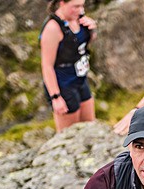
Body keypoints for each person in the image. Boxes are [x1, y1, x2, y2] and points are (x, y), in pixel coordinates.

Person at [40, 0, 97, 132]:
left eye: (82, 6)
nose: (80, 10)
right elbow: (47, 66)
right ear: (62, 3)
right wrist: (55, 97)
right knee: (69, 135)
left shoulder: (80, 19)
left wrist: (92, 29)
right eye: (75, 7)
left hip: (81, 80)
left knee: (90, 128)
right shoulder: (52, 28)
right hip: (63, 85)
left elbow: (81, 45)